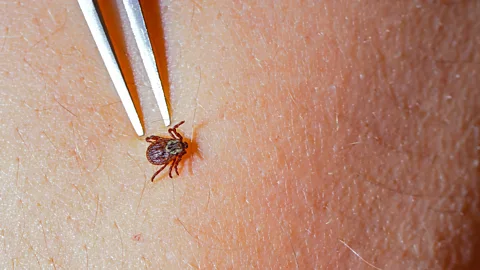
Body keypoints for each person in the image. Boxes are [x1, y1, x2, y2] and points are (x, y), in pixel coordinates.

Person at [0, 1, 477, 269]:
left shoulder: (167, 149)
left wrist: (166, 155)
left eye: (177, 147)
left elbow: (161, 148)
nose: (178, 148)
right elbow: (164, 150)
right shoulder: (170, 151)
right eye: (177, 147)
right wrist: (169, 157)